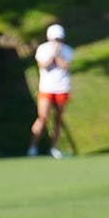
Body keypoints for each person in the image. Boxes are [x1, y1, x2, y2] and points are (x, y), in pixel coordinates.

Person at [28, 24, 74, 158]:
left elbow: (65, 66)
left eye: (59, 39)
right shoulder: (42, 49)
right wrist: (52, 54)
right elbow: (44, 66)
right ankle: (33, 147)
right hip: (46, 88)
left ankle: (53, 148)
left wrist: (58, 54)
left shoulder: (67, 50)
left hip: (62, 87)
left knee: (58, 120)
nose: (57, 42)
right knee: (43, 117)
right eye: (55, 39)